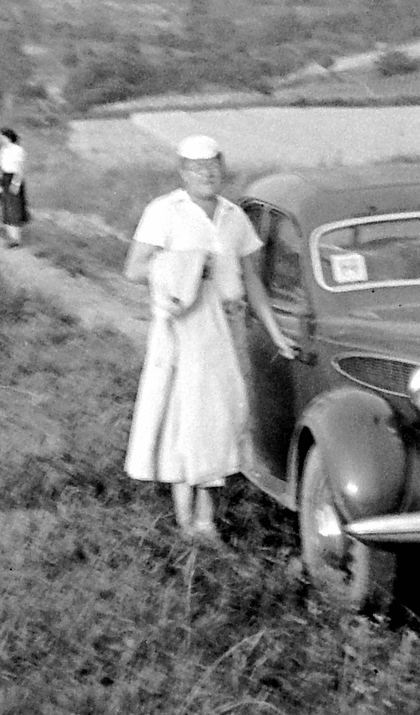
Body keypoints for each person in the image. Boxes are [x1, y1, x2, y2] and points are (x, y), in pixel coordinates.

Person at [122, 134, 299, 542]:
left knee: (219, 420)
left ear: (223, 168)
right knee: (185, 421)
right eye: (197, 168)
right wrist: (185, 268)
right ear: (183, 172)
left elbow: (253, 281)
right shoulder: (163, 212)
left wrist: (275, 334)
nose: (206, 174)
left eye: (213, 167)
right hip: (181, 331)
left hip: (225, 328)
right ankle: (188, 521)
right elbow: (134, 268)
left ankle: (206, 519)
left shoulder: (234, 217)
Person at [0, 127, 28, 247]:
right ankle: (11, 237)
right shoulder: (3, 150)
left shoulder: (18, 150)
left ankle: (16, 239)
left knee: (14, 208)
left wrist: (15, 184)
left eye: (2, 136)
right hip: (4, 178)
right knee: (6, 208)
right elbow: (1, 167)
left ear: (7, 137)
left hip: (13, 179)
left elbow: (20, 169)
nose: (0, 139)